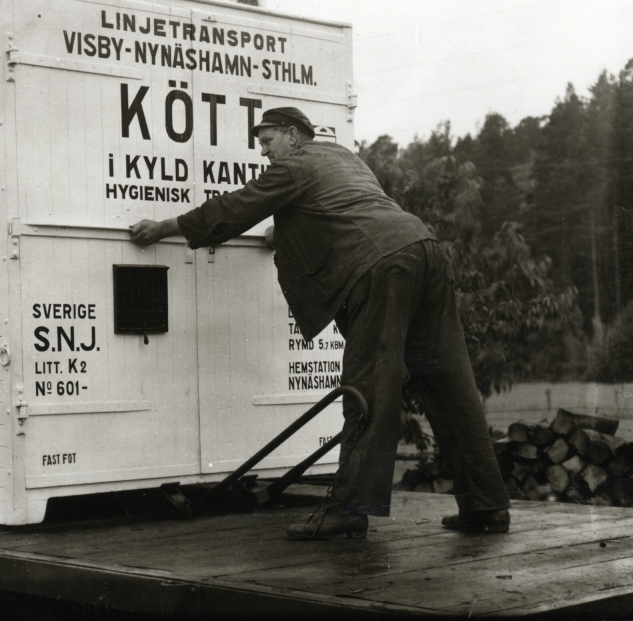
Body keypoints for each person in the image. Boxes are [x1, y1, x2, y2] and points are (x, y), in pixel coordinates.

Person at [130, 106, 510, 540]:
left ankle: (349, 509)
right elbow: (346, 210)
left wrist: (165, 227)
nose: (264, 151)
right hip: (425, 250)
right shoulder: (346, 157)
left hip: (383, 266)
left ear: (293, 135)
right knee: (450, 383)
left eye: (268, 140)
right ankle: (487, 505)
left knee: (368, 388)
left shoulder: (295, 165)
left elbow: (237, 208)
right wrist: (287, 233)